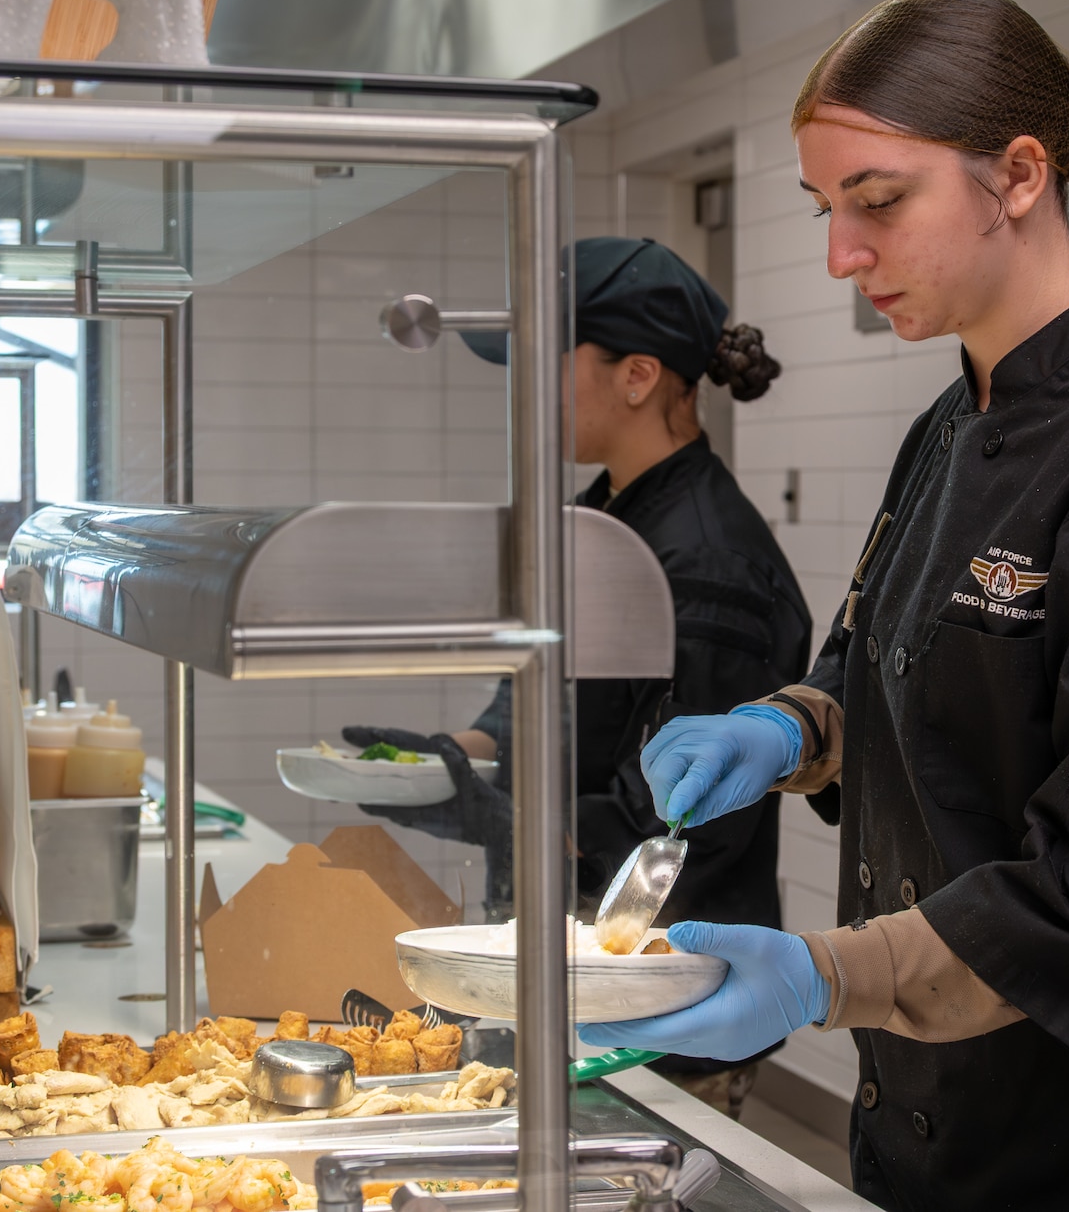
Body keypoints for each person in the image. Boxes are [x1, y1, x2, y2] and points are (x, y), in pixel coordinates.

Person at [580, 0, 1069, 1209]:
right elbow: (885, 663)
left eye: (877, 203)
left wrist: (816, 976)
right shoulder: (954, 421)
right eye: (825, 210)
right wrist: (788, 728)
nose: (842, 256)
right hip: (951, 1129)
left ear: (1016, 174)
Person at [346, 236, 813, 1118]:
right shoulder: (601, 516)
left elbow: (685, 825)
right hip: (576, 973)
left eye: (545, 366)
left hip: (664, 1002)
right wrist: (458, 756)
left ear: (637, 375)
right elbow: (553, 694)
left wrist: (516, 813)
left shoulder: (710, 562)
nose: (526, 396)